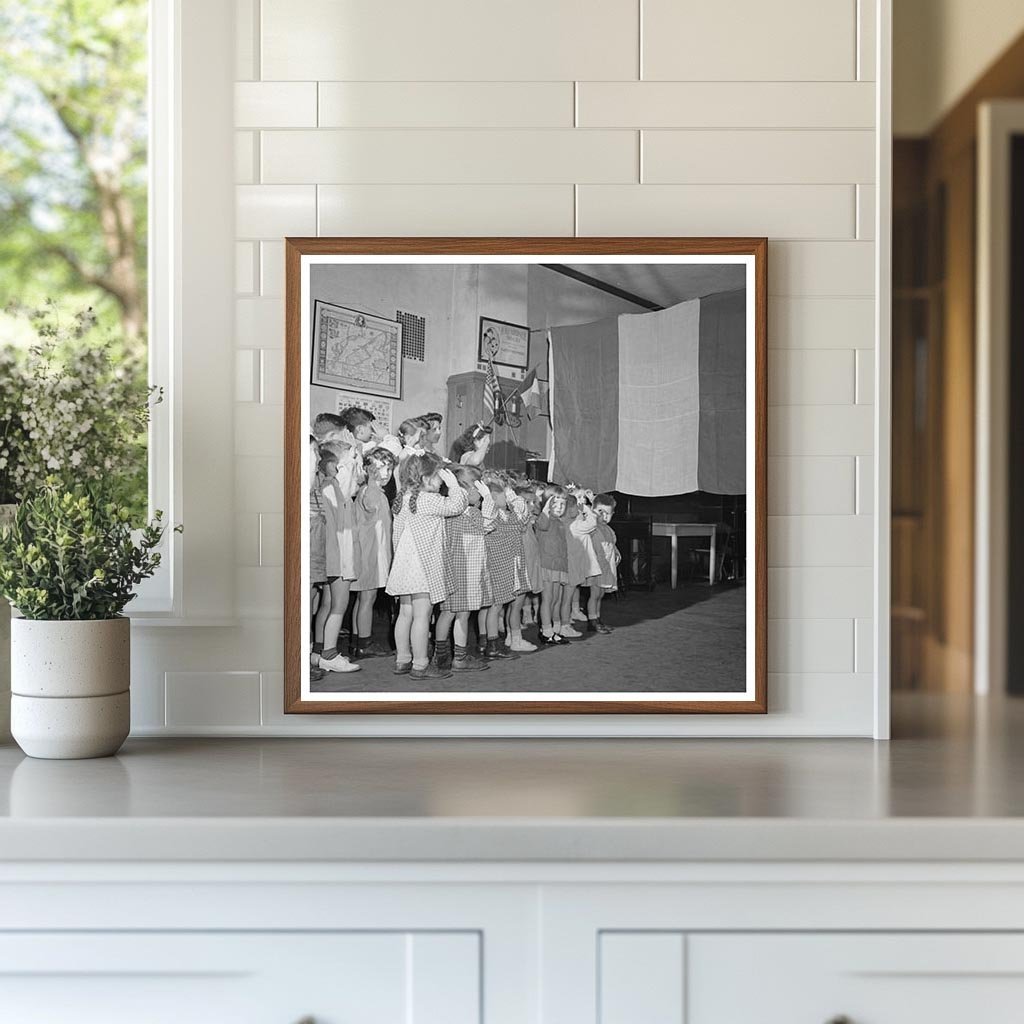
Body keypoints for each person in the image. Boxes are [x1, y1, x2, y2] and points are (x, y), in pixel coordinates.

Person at [386, 452, 467, 679]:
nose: (441, 479)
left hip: (404, 565)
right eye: (438, 475)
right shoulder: (429, 500)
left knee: (405, 614)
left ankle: (403, 659)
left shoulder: (402, 499)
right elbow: (456, 506)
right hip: (422, 566)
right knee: (423, 616)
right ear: (425, 478)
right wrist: (454, 485)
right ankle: (420, 663)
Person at [432, 465, 493, 674]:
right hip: (460, 574)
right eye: (479, 490)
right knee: (454, 614)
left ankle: (452, 657)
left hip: (462, 574)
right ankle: (448, 657)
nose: (482, 495)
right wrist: (489, 500)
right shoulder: (460, 513)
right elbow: (488, 523)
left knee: (455, 614)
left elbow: (487, 524)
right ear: (467, 490)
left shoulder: (463, 513)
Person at [317, 441, 364, 674]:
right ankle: (329, 654)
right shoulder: (335, 488)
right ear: (335, 465)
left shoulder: (327, 487)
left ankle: (319, 650)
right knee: (339, 606)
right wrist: (351, 457)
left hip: (332, 554)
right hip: (340, 555)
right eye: (345, 464)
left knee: (327, 605)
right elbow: (351, 476)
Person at [350, 446, 397, 659]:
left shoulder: (378, 492)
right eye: (381, 468)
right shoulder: (371, 491)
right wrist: (371, 479)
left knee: (363, 599)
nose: (386, 473)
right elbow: (369, 505)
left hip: (372, 553)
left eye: (389, 468)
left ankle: (357, 640)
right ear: (370, 469)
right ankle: (364, 644)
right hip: (370, 555)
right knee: (367, 598)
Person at [480, 472, 530, 660]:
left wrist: (509, 492)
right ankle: (492, 644)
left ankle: (490, 643)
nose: (507, 497)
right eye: (503, 495)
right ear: (492, 498)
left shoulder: (508, 515)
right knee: (495, 607)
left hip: (511, 566)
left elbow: (522, 513)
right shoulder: (492, 517)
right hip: (498, 568)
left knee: (498, 606)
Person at [535, 484, 570, 646]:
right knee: (547, 599)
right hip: (547, 565)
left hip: (558, 565)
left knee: (556, 598)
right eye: (555, 503)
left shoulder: (560, 522)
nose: (559, 507)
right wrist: (546, 510)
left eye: (563, 504)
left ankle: (554, 629)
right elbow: (542, 525)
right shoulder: (544, 519)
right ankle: (546, 630)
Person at [562, 493, 600, 640]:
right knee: (567, 599)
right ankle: (565, 625)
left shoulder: (565, 523)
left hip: (568, 565)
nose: (577, 510)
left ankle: (562, 623)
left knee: (563, 599)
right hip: (573, 566)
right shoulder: (576, 525)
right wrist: (584, 507)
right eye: (574, 507)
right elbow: (592, 522)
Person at [308, 435, 327, 682]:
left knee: (310, 602)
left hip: (316, 552)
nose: (319, 458)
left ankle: (308, 653)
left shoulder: (315, 485)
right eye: (314, 452)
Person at [588, 493, 621, 634]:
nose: (604, 517)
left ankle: (598, 618)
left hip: (606, 567)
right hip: (596, 566)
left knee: (601, 594)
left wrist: (617, 552)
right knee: (595, 594)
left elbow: (611, 544)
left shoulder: (608, 530)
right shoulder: (592, 527)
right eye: (600, 512)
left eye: (608, 513)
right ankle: (592, 621)